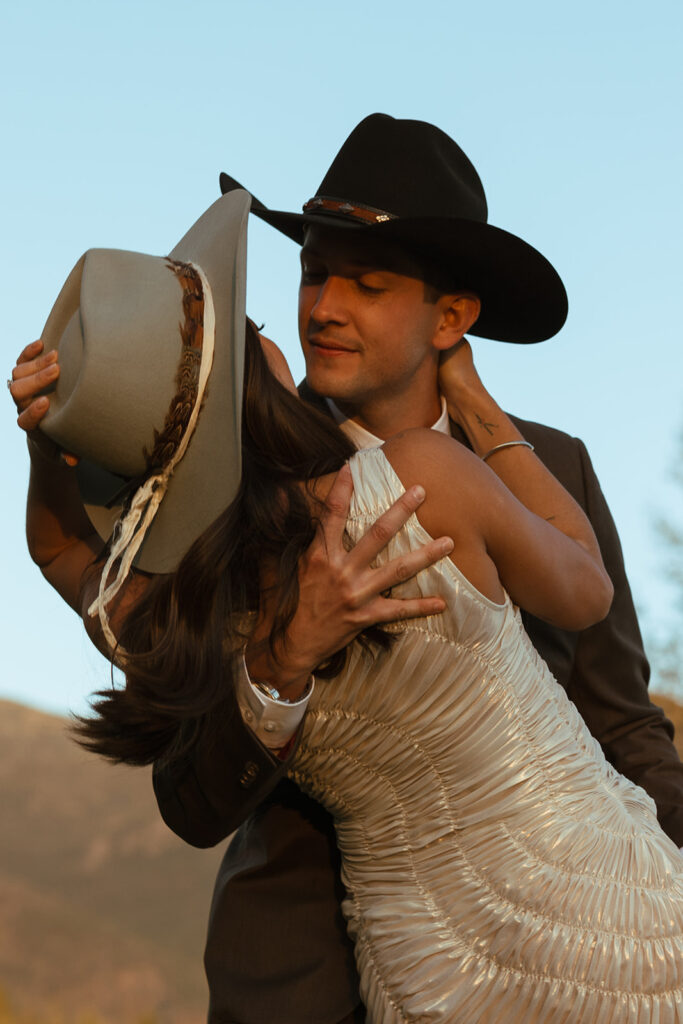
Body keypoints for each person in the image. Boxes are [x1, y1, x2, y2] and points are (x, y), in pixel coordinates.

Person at [11, 187, 682, 1023]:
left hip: (431, 967)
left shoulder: (180, 596)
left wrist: (54, 444)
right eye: (311, 277)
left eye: (364, 284)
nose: (319, 309)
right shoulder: (426, 477)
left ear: (451, 318)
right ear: (250, 383)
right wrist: (278, 666)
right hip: (370, 966)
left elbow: (620, 719)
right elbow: (191, 801)